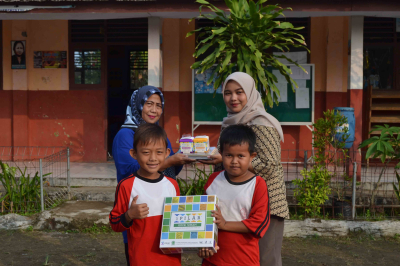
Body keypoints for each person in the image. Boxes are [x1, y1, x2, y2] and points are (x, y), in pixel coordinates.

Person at [199, 72, 289, 266]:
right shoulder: (231, 121)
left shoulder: (262, 122)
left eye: (239, 92)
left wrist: (226, 159)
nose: (233, 98)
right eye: (228, 93)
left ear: (250, 93)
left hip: (266, 205)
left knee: (266, 258)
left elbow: (269, 164)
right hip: (235, 200)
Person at [112, 85, 195, 265]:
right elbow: (129, 170)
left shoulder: (159, 135)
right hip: (140, 220)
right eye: (149, 103)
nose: (154, 110)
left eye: (158, 105)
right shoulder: (125, 134)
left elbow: (168, 173)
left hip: (165, 225)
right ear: (137, 104)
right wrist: (172, 160)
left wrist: (182, 156)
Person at [109, 123, 181, 266]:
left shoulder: (172, 185)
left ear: (167, 153)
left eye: (159, 152)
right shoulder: (126, 186)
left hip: (171, 260)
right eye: (146, 152)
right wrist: (129, 215)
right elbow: (115, 223)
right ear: (134, 154)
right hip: (141, 260)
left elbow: (179, 223)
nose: (153, 158)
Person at [198, 124, 270, 266]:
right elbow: (203, 217)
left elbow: (259, 223)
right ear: (221, 154)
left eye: (241, 156)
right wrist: (202, 244)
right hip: (212, 259)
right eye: (229, 155)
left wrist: (224, 224)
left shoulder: (258, 184)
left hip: (244, 259)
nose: (234, 161)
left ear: (252, 156)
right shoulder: (213, 180)